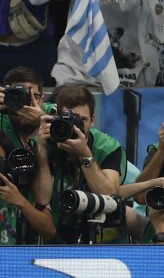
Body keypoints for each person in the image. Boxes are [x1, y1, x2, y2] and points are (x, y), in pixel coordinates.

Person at [30, 84, 126, 243]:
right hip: (57, 237)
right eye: (70, 118)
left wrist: (84, 154)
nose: (76, 127)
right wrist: (41, 148)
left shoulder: (107, 147)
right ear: (58, 117)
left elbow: (109, 195)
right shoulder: (46, 142)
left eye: (82, 120)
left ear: (93, 120)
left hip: (100, 237)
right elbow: (42, 198)